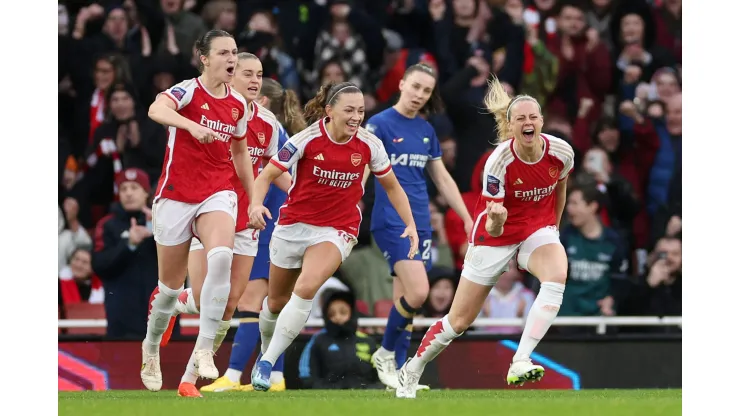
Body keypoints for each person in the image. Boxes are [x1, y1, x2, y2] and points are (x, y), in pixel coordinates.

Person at [395, 77, 575, 399]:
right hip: (496, 237)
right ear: (511, 125)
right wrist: (497, 219)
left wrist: (554, 230)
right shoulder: (499, 162)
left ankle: (520, 359)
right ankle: (412, 368)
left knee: (557, 273)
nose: (528, 122)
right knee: (458, 321)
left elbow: (560, 188)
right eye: (520, 118)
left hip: (537, 229)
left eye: (533, 117)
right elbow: (493, 225)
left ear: (542, 121)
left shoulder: (561, 151)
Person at [247, 81, 419, 392]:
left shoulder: (369, 145)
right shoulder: (306, 140)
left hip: (337, 229)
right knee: (274, 303)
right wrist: (256, 204)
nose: (356, 117)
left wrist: (410, 224)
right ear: (329, 111)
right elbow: (267, 175)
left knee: (308, 286)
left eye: (361, 111)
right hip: (293, 225)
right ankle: (266, 353)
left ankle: (266, 362)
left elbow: (392, 186)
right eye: (349, 110)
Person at [157, 55, 293, 397]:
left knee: (230, 304)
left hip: (247, 221)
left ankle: (188, 381)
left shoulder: (270, 124)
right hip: (208, 213)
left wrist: (306, 197)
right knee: (207, 300)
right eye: (246, 73)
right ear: (229, 77)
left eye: (259, 75)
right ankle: (174, 300)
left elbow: (278, 170)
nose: (254, 80)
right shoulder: (209, 113)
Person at [140, 29, 256, 393]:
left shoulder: (239, 104)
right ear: (204, 57)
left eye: (234, 52)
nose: (231, 59)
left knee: (221, 256)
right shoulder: (187, 90)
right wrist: (192, 125)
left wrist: (252, 200)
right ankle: (151, 346)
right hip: (176, 194)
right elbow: (155, 109)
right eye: (223, 52)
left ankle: (205, 349)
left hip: (218, 192)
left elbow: (240, 153)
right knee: (169, 291)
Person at [364, 63, 473, 389]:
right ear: (401, 84)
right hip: (390, 219)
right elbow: (364, 168)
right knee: (419, 292)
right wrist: (351, 199)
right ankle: (384, 353)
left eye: (426, 91)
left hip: (421, 224)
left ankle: (398, 375)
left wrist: (467, 216)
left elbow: (441, 177)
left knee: (406, 301)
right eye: (415, 87)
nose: (419, 95)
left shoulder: (426, 130)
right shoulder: (379, 124)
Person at [198, 76, 307, 394]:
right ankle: (275, 377)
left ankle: (233, 375)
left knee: (251, 299)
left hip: (267, 220)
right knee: (272, 303)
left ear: (263, 104)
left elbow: (283, 178)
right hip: (275, 219)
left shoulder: (270, 131)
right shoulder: (285, 135)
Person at [298, 290, 382, 390]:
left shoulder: (368, 341)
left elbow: (381, 376)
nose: (338, 317)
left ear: (352, 313)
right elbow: (307, 377)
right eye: (331, 314)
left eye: (343, 312)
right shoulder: (318, 340)